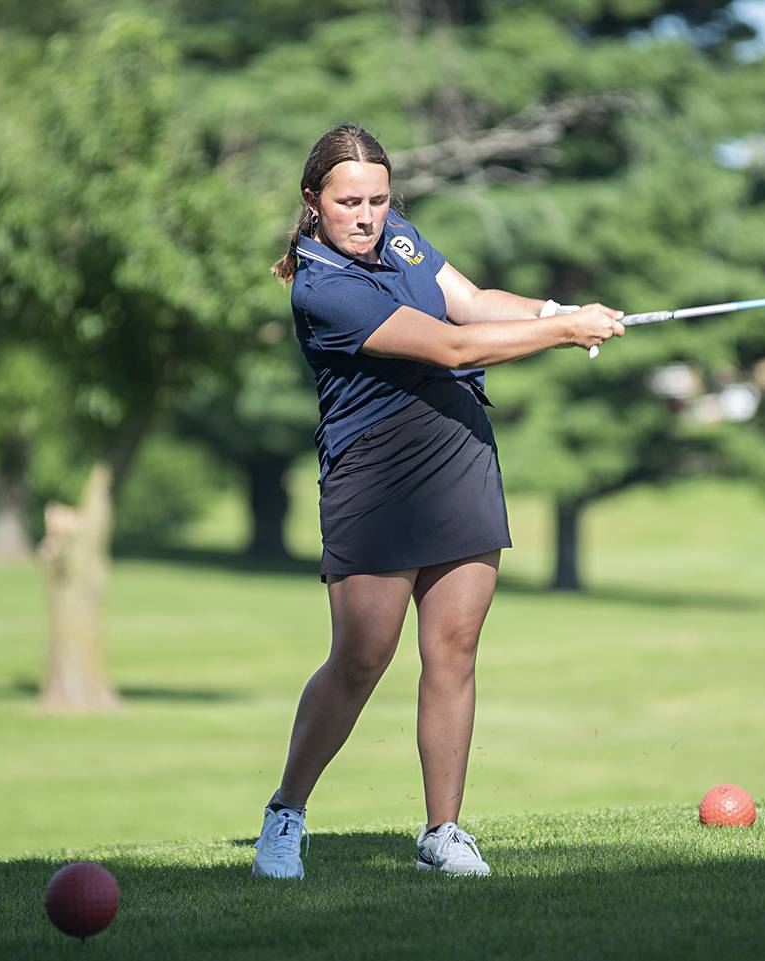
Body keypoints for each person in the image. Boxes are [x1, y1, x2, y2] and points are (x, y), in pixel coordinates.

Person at [253, 122, 624, 879]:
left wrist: (557, 309)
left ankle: (443, 832)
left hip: (458, 455)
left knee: (452, 651)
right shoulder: (322, 286)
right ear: (313, 202)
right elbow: (453, 345)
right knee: (362, 658)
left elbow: (475, 303)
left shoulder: (403, 240)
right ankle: (286, 812)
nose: (367, 215)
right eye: (349, 201)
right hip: (375, 479)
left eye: (379, 200)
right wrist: (560, 333)